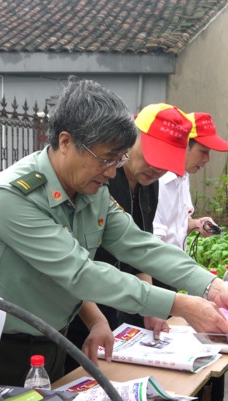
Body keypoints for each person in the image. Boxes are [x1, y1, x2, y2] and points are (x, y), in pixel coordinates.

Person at [0, 77, 228, 385]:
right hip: (3, 351)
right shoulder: (13, 196)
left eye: (118, 160)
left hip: (54, 341)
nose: (111, 172)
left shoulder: (92, 190)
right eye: (105, 159)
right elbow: (81, 274)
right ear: (66, 142)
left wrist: (212, 286)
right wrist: (180, 304)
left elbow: (140, 245)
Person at [65, 103, 191, 371]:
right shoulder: (103, 178)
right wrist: (96, 319)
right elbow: (75, 265)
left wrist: (152, 308)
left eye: (165, 164)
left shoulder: (149, 184)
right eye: (152, 156)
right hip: (81, 307)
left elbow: (140, 249)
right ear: (132, 137)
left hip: (120, 304)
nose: (156, 169)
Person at [153, 112, 228, 252]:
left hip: (174, 267)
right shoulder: (157, 183)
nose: (207, 159)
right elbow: (153, 244)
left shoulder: (183, 177)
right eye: (203, 151)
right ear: (183, 145)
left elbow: (175, 225)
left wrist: (196, 224)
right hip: (157, 269)